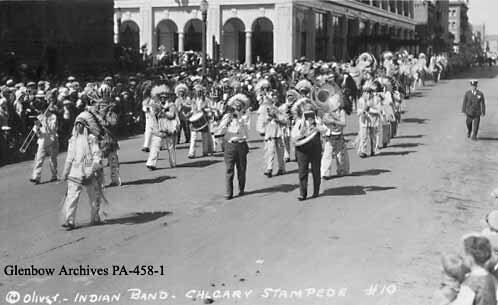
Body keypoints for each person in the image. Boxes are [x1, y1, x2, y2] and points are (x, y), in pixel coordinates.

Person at [60, 111, 105, 230]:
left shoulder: (91, 139)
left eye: (81, 124)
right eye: (76, 124)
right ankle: (69, 220)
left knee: (94, 196)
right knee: (71, 196)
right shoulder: (72, 140)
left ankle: (95, 217)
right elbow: (69, 157)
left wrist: (92, 169)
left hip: (89, 168)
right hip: (75, 171)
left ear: (85, 126)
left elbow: (96, 154)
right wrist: (65, 172)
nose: (78, 126)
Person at [291, 98, 328, 201]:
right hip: (302, 149)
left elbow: (325, 130)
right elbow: (294, 137)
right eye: (306, 110)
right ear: (302, 111)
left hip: (315, 148)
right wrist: (303, 132)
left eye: (310, 109)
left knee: (316, 170)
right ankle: (303, 193)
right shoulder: (298, 122)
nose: (308, 112)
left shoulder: (318, 120)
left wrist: (317, 127)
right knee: (302, 171)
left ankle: (316, 191)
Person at [216, 93, 250, 200]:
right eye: (235, 105)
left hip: (241, 144)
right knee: (229, 169)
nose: (237, 107)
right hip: (230, 144)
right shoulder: (227, 116)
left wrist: (239, 118)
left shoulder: (245, 117)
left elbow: (246, 132)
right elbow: (219, 131)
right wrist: (227, 121)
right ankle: (229, 192)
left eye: (239, 105)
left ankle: (241, 188)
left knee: (241, 169)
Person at [449, 235, 496, 305]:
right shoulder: (491, 277)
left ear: (470, 258)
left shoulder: (471, 283)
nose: (462, 260)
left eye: (463, 256)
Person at [146, 85, 179, 170]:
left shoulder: (171, 105)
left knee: (170, 147)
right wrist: (156, 111)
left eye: (164, 97)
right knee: (155, 146)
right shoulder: (156, 105)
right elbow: (153, 115)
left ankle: (173, 163)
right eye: (161, 97)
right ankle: (151, 163)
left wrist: (164, 112)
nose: (163, 99)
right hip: (159, 128)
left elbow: (172, 116)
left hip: (169, 128)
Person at [30, 103, 59, 184]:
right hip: (42, 140)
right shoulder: (39, 117)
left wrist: (45, 121)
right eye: (41, 110)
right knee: (38, 159)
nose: (42, 111)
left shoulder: (53, 116)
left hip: (52, 140)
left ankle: (54, 176)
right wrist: (37, 129)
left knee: (52, 160)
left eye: (43, 109)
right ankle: (36, 177)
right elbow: (35, 129)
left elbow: (53, 129)